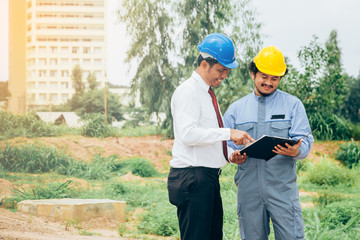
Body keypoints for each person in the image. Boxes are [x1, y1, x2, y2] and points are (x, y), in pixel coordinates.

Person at [167, 33, 255, 240]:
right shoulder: (188, 92)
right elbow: (187, 135)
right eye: (221, 70)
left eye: (226, 71)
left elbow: (205, 137)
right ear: (205, 64)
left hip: (206, 178)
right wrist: (229, 133)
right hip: (192, 178)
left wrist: (230, 154)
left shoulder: (206, 94)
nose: (224, 76)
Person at [223, 46, 314, 240]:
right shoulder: (236, 109)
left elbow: (305, 141)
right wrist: (232, 156)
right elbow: (223, 142)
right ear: (252, 73)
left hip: (282, 190)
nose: (269, 83)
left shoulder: (293, 105)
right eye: (264, 76)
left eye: (275, 78)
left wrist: (295, 151)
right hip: (249, 190)